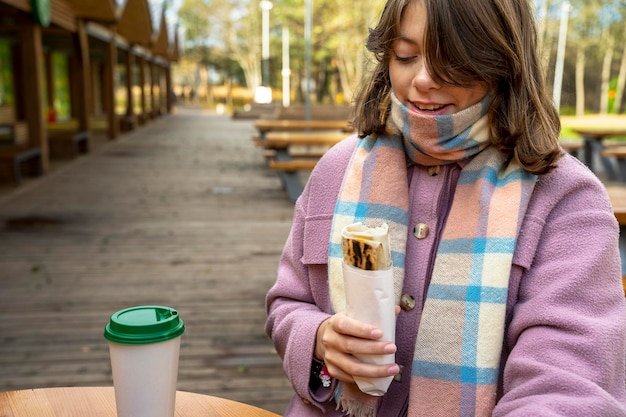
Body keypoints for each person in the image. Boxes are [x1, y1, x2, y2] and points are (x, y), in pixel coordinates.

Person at [265, 0, 626, 415]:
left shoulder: (567, 200)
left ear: (503, 62)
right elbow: (287, 304)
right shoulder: (336, 171)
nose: (423, 79)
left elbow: (565, 387)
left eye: (452, 60)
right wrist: (319, 338)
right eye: (405, 55)